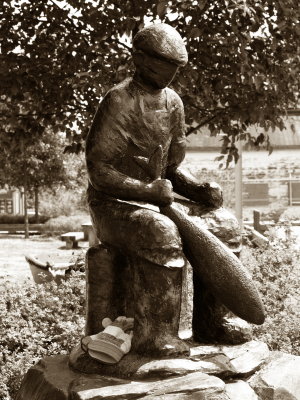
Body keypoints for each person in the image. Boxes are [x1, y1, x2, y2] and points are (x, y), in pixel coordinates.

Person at [85, 23, 234, 356]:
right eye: (164, 63)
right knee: (160, 232)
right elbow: (99, 171)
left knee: (224, 223)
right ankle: (156, 334)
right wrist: (148, 190)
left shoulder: (173, 104)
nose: (171, 72)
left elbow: (173, 169)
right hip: (112, 205)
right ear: (139, 58)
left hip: (157, 201)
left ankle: (212, 322)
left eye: (175, 66)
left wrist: (199, 189)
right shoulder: (119, 101)